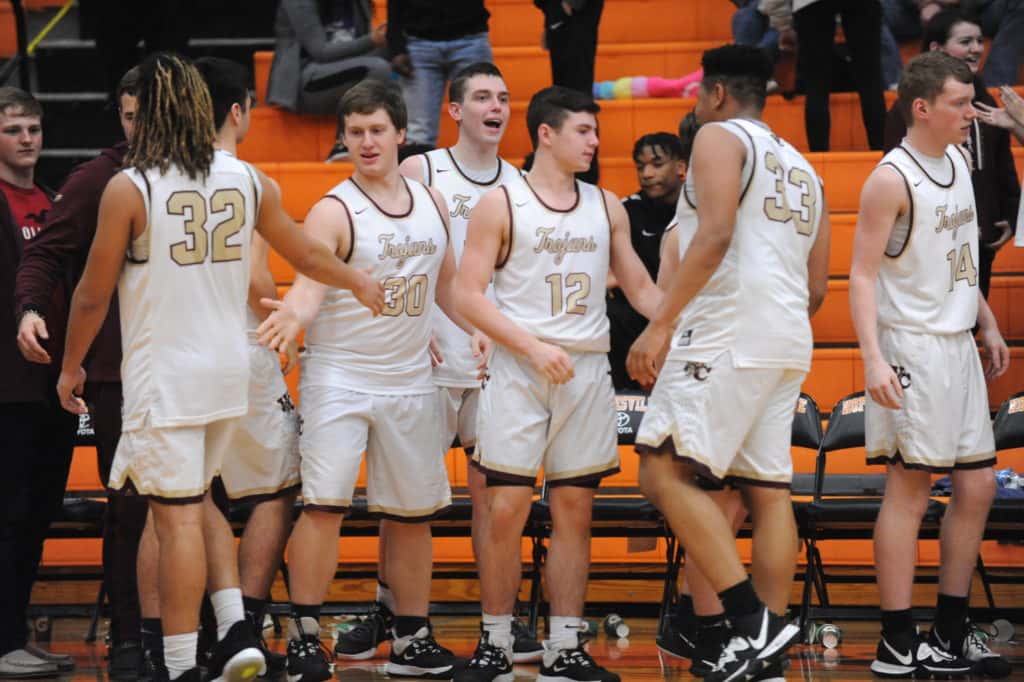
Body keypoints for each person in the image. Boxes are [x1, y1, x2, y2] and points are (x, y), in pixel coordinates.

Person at [56, 52, 385, 682]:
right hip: (230, 374)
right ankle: (234, 630)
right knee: (197, 504)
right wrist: (358, 281)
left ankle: (182, 663)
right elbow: (306, 255)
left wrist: (71, 367)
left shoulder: (132, 186)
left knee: (176, 518)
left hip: (166, 377)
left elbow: (92, 295)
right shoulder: (248, 180)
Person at [255, 79, 480, 682]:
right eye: (355, 132)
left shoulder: (431, 201)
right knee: (324, 507)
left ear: (401, 132)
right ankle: (306, 636)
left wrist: (482, 330)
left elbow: (449, 286)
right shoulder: (334, 210)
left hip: (411, 379)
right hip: (341, 378)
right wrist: (293, 318)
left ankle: (412, 637)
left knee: (412, 515)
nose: (366, 141)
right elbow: (309, 284)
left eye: (377, 130)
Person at [627, 44, 831, 682]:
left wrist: (660, 324)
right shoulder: (804, 166)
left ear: (715, 93)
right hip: (787, 334)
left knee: (660, 471)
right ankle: (764, 650)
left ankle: (750, 623)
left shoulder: (719, 136)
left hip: (727, 331)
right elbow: (818, 284)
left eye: (698, 94)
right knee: (768, 492)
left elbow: (714, 234)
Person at [329, 62, 542, 664]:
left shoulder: (521, 184)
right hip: (425, 357)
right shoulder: (422, 170)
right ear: (454, 110)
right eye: (482, 96)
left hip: (490, 359)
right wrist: (411, 325)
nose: (495, 106)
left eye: (503, 97)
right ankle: (390, 611)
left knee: (494, 500)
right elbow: (395, 257)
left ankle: (500, 622)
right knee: (405, 503)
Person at [454, 85, 662, 682]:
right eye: (583, 131)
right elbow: (468, 294)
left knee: (575, 510)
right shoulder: (501, 203)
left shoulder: (606, 205)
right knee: (505, 510)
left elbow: (641, 289)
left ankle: (565, 646)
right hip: (521, 368)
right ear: (546, 134)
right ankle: (496, 641)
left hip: (586, 371)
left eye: (595, 131)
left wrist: (681, 325)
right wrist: (530, 346)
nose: (595, 142)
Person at [849, 50, 1011, 679]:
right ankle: (896, 640)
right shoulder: (890, 178)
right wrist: (872, 359)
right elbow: (862, 276)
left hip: (957, 343)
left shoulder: (959, 163)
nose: (970, 113)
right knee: (911, 488)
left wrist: (985, 318)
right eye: (958, 103)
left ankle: (948, 631)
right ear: (922, 107)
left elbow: (959, 258)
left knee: (978, 485)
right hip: (911, 347)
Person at [14, 67, 147, 680]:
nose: (138, 126)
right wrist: (31, 310)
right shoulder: (100, 179)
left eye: (146, 113)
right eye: (128, 116)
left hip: (190, 368)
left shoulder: (209, 175)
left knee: (195, 508)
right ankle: (130, 637)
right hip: (114, 372)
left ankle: (199, 631)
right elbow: (45, 256)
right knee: (129, 507)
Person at [0, 87, 79, 680]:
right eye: (12, 130)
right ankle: (3, 642)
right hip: (6, 388)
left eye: (33, 128)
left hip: (50, 387)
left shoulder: (54, 201)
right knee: (8, 516)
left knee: (35, 516)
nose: (27, 139)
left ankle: (16, 636)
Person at [882, 9, 1021, 298]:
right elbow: (899, 173)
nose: (976, 48)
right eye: (965, 41)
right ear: (936, 48)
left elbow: (1002, 164)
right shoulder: (909, 105)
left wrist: (1010, 212)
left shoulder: (986, 100)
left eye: (979, 41)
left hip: (980, 238)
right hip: (929, 239)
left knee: (973, 316)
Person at [606, 131, 685, 391]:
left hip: (683, 308)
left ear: (681, 167)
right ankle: (623, 395)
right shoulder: (627, 210)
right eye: (641, 167)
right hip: (639, 311)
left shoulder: (698, 209)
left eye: (657, 164)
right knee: (613, 313)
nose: (647, 174)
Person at [267, 0, 392, 161]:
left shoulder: (358, 3)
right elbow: (321, 52)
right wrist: (372, 40)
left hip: (344, 71)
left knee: (394, 56)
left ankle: (404, 138)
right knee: (378, 68)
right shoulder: (299, 3)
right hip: (307, 81)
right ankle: (343, 144)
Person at [386, 0, 493, 147]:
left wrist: (396, 46)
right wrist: (396, 46)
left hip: (470, 36)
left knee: (480, 124)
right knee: (419, 134)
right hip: (419, 41)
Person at [880, 0, 1024, 87]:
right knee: (871, 8)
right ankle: (896, 88)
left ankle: (996, 89)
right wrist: (924, 3)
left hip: (973, 10)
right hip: (913, 12)